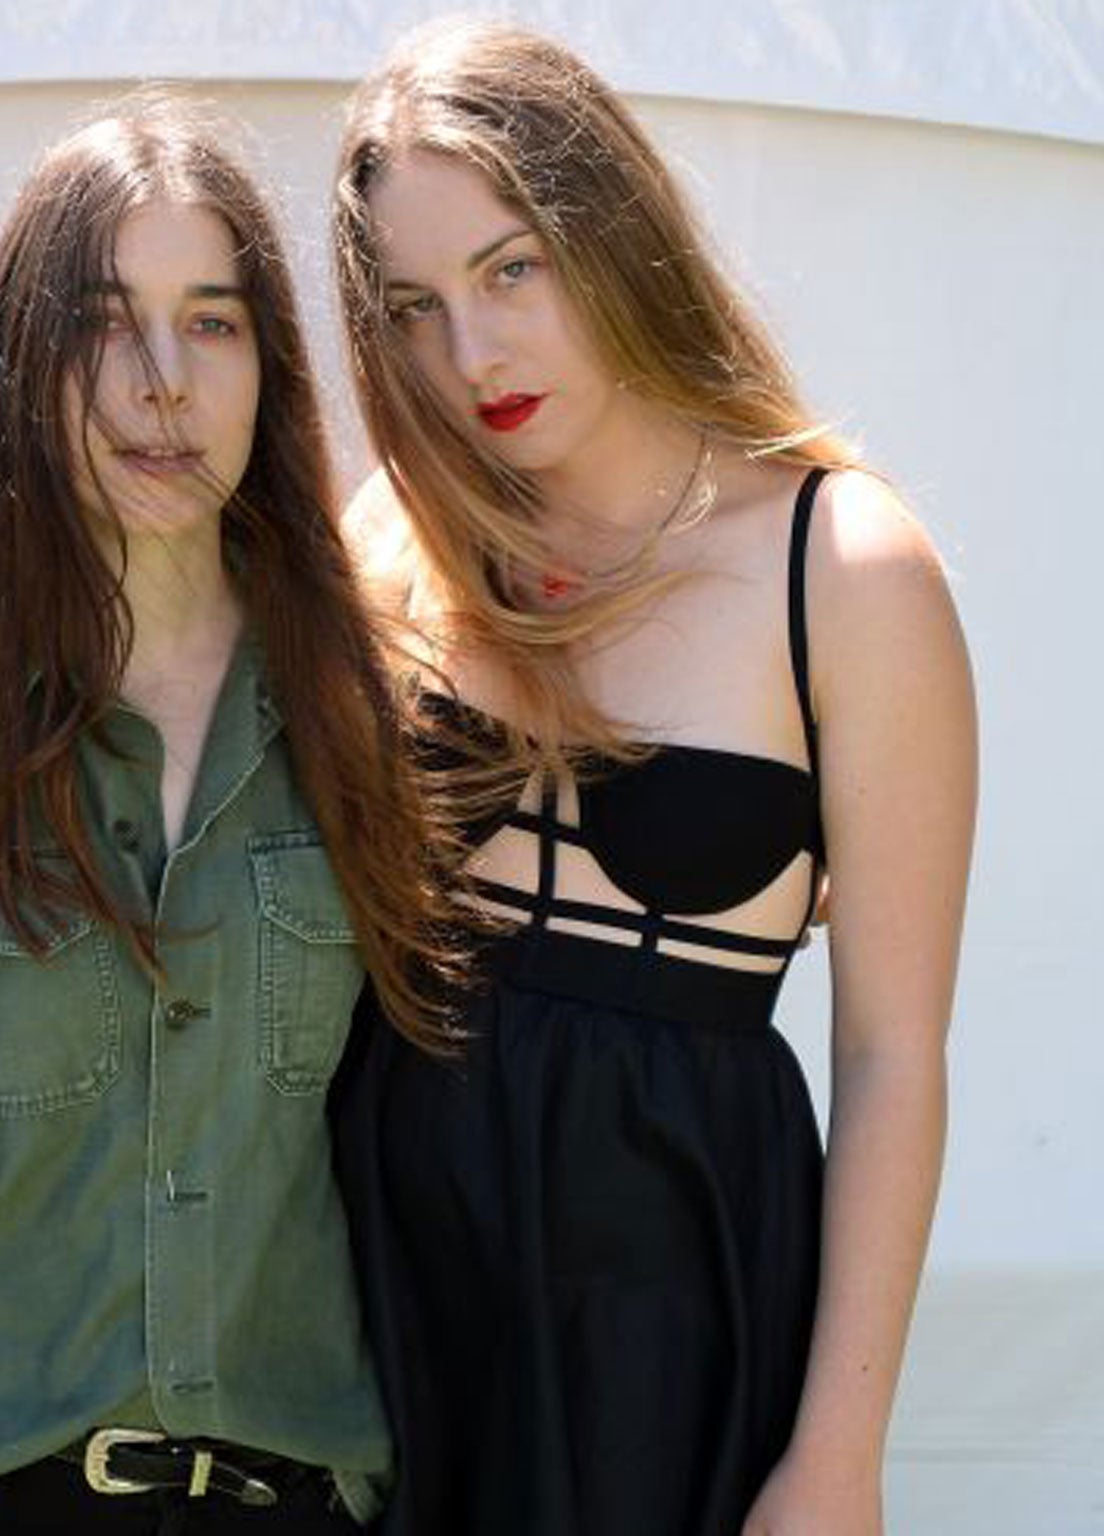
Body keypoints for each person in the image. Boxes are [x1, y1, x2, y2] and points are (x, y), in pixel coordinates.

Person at [325, 19, 974, 1536]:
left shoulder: (840, 564)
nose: (469, 355)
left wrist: (837, 1464)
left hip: (675, 1324)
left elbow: (892, 1057)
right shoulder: (396, 539)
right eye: (413, 307)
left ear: (607, 229)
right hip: (388, 1301)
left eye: (510, 270)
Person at [0, 98, 469, 1535]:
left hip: (298, 1497)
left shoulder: (386, 721)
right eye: (105, 322)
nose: (163, 382)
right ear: (21, 363)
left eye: (215, 322)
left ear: (272, 365)